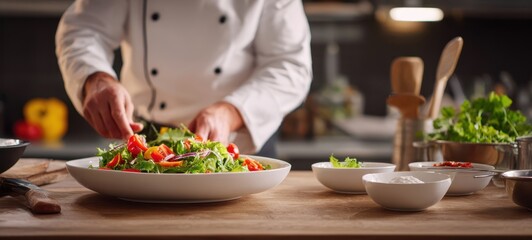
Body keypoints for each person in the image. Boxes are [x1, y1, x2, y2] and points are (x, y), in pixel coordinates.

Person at [55, 0, 312, 155]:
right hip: (145, 143)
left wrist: (230, 112)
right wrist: (96, 78)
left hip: (237, 145)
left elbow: (289, 64)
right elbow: (84, 29)